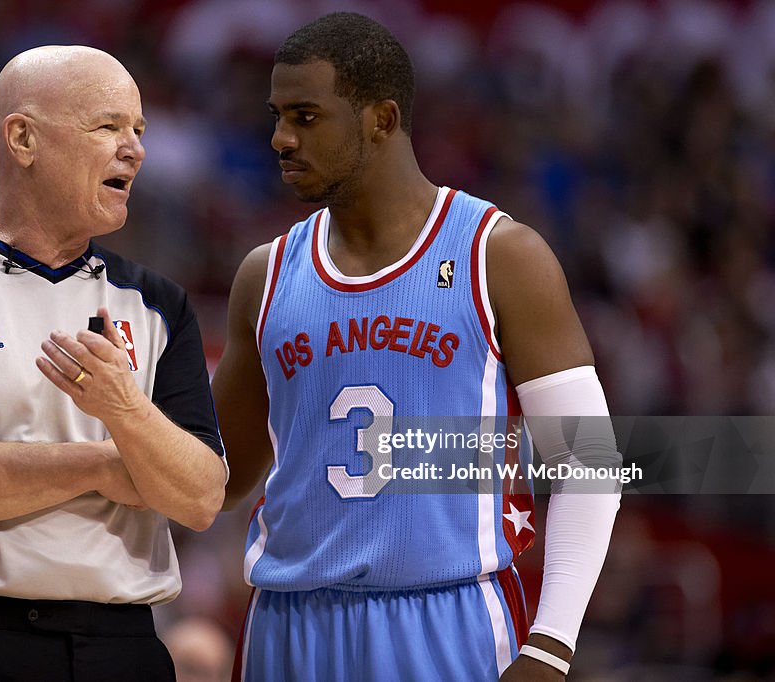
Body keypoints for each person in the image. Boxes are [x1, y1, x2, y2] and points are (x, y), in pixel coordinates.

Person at [212, 12, 622, 681]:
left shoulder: (500, 255)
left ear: (382, 118)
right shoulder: (264, 273)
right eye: (277, 116)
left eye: (306, 117)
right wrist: (124, 409)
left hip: (449, 618)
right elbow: (218, 479)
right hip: (288, 625)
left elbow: (591, 465)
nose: (281, 138)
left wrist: (552, 643)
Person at [0, 45, 227, 681]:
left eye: (139, 130)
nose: (134, 149)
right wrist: (109, 465)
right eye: (108, 126)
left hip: (125, 647)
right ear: (23, 138)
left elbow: (198, 496)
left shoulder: (160, 305)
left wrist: (123, 408)